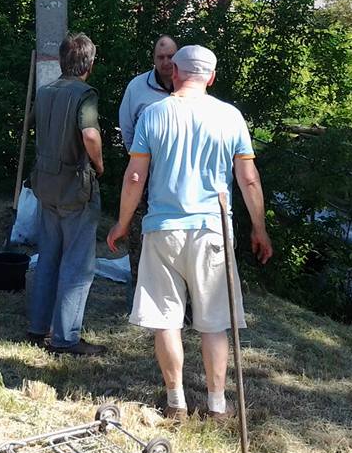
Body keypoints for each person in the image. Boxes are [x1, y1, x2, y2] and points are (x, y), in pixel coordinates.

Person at [107, 45, 273, 421]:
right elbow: (247, 178)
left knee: (166, 319)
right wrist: (259, 228)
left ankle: (176, 401)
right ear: (211, 77)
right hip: (211, 231)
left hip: (163, 229)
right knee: (215, 322)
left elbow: (135, 176)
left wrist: (122, 222)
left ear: (176, 73)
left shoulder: (153, 114)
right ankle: (216, 405)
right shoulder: (230, 117)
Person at [26, 33, 107, 356]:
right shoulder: (84, 94)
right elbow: (89, 134)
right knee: (77, 264)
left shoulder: (45, 92)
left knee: (49, 257)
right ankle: (65, 337)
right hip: (74, 185)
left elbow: (32, 126)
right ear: (89, 63)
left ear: (62, 61)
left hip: (45, 184)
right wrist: (99, 165)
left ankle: (37, 327)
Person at [118, 35, 178, 286]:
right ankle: (138, 288)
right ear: (153, 59)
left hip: (178, 174)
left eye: (170, 57)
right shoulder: (138, 87)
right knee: (138, 233)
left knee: (174, 234)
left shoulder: (190, 83)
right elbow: (126, 127)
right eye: (160, 57)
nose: (165, 62)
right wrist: (139, 159)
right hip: (146, 172)